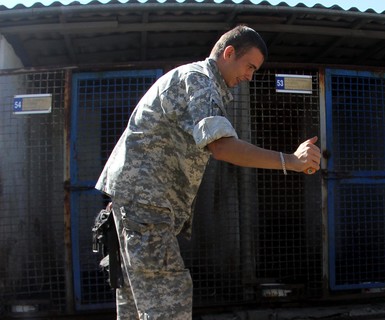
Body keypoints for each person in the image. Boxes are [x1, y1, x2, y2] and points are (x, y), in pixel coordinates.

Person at [95, 25, 321, 320]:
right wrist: (290, 160)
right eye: (249, 66)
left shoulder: (192, 78)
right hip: (145, 209)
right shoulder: (199, 80)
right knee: (169, 304)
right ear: (229, 53)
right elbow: (222, 146)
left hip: (134, 208)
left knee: (137, 311)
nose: (249, 76)